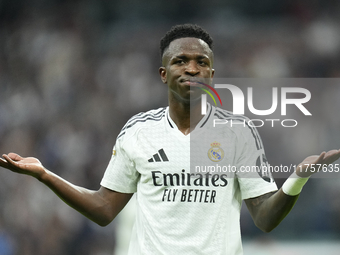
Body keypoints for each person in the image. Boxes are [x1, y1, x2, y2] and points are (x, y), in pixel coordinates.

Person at [0, 24, 339, 255]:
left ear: (211, 74)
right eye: (181, 61)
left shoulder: (238, 133)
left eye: (201, 62)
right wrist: (44, 174)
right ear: (164, 74)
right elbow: (104, 210)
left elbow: (264, 219)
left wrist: (297, 179)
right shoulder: (138, 131)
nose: (191, 69)